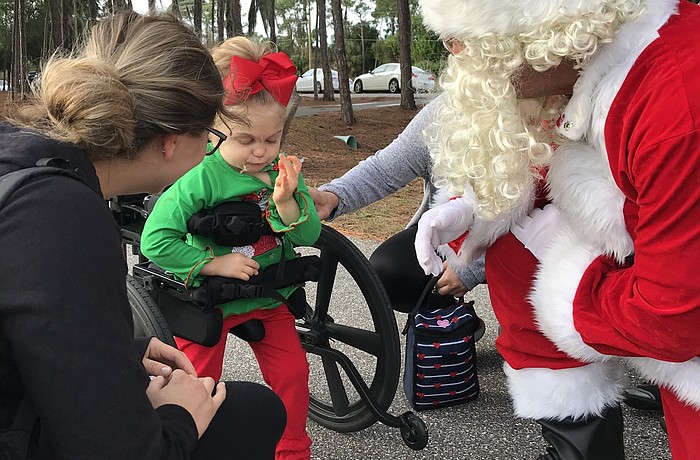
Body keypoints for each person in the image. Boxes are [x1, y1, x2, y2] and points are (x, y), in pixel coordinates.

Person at [414, 0, 700, 459]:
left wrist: (570, 284)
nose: (457, 52)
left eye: (476, 42)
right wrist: (475, 210)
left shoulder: (672, 106)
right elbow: (557, 176)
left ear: (547, 26)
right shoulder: (600, 73)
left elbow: (671, 318)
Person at [0, 12, 286, 460]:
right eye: (210, 133)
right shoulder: (64, 217)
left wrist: (119, 349)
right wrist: (181, 417)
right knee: (255, 411)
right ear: (171, 141)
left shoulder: (19, 156)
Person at [140, 37, 320, 460]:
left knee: (294, 373)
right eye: (245, 139)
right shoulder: (200, 177)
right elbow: (155, 240)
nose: (261, 151)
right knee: (197, 384)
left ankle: (292, 450)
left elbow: (309, 235)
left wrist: (285, 203)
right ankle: (195, 448)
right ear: (214, 130)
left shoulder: (282, 170)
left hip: (269, 296)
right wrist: (213, 262)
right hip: (213, 303)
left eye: (272, 139)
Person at [310, 96, 487, 312]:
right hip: (451, 231)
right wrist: (333, 197)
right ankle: (453, 323)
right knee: (390, 268)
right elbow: (385, 170)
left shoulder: (535, 110)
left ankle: (523, 325)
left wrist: (473, 269)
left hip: (518, 241)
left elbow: (536, 220)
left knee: (527, 265)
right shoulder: (450, 105)